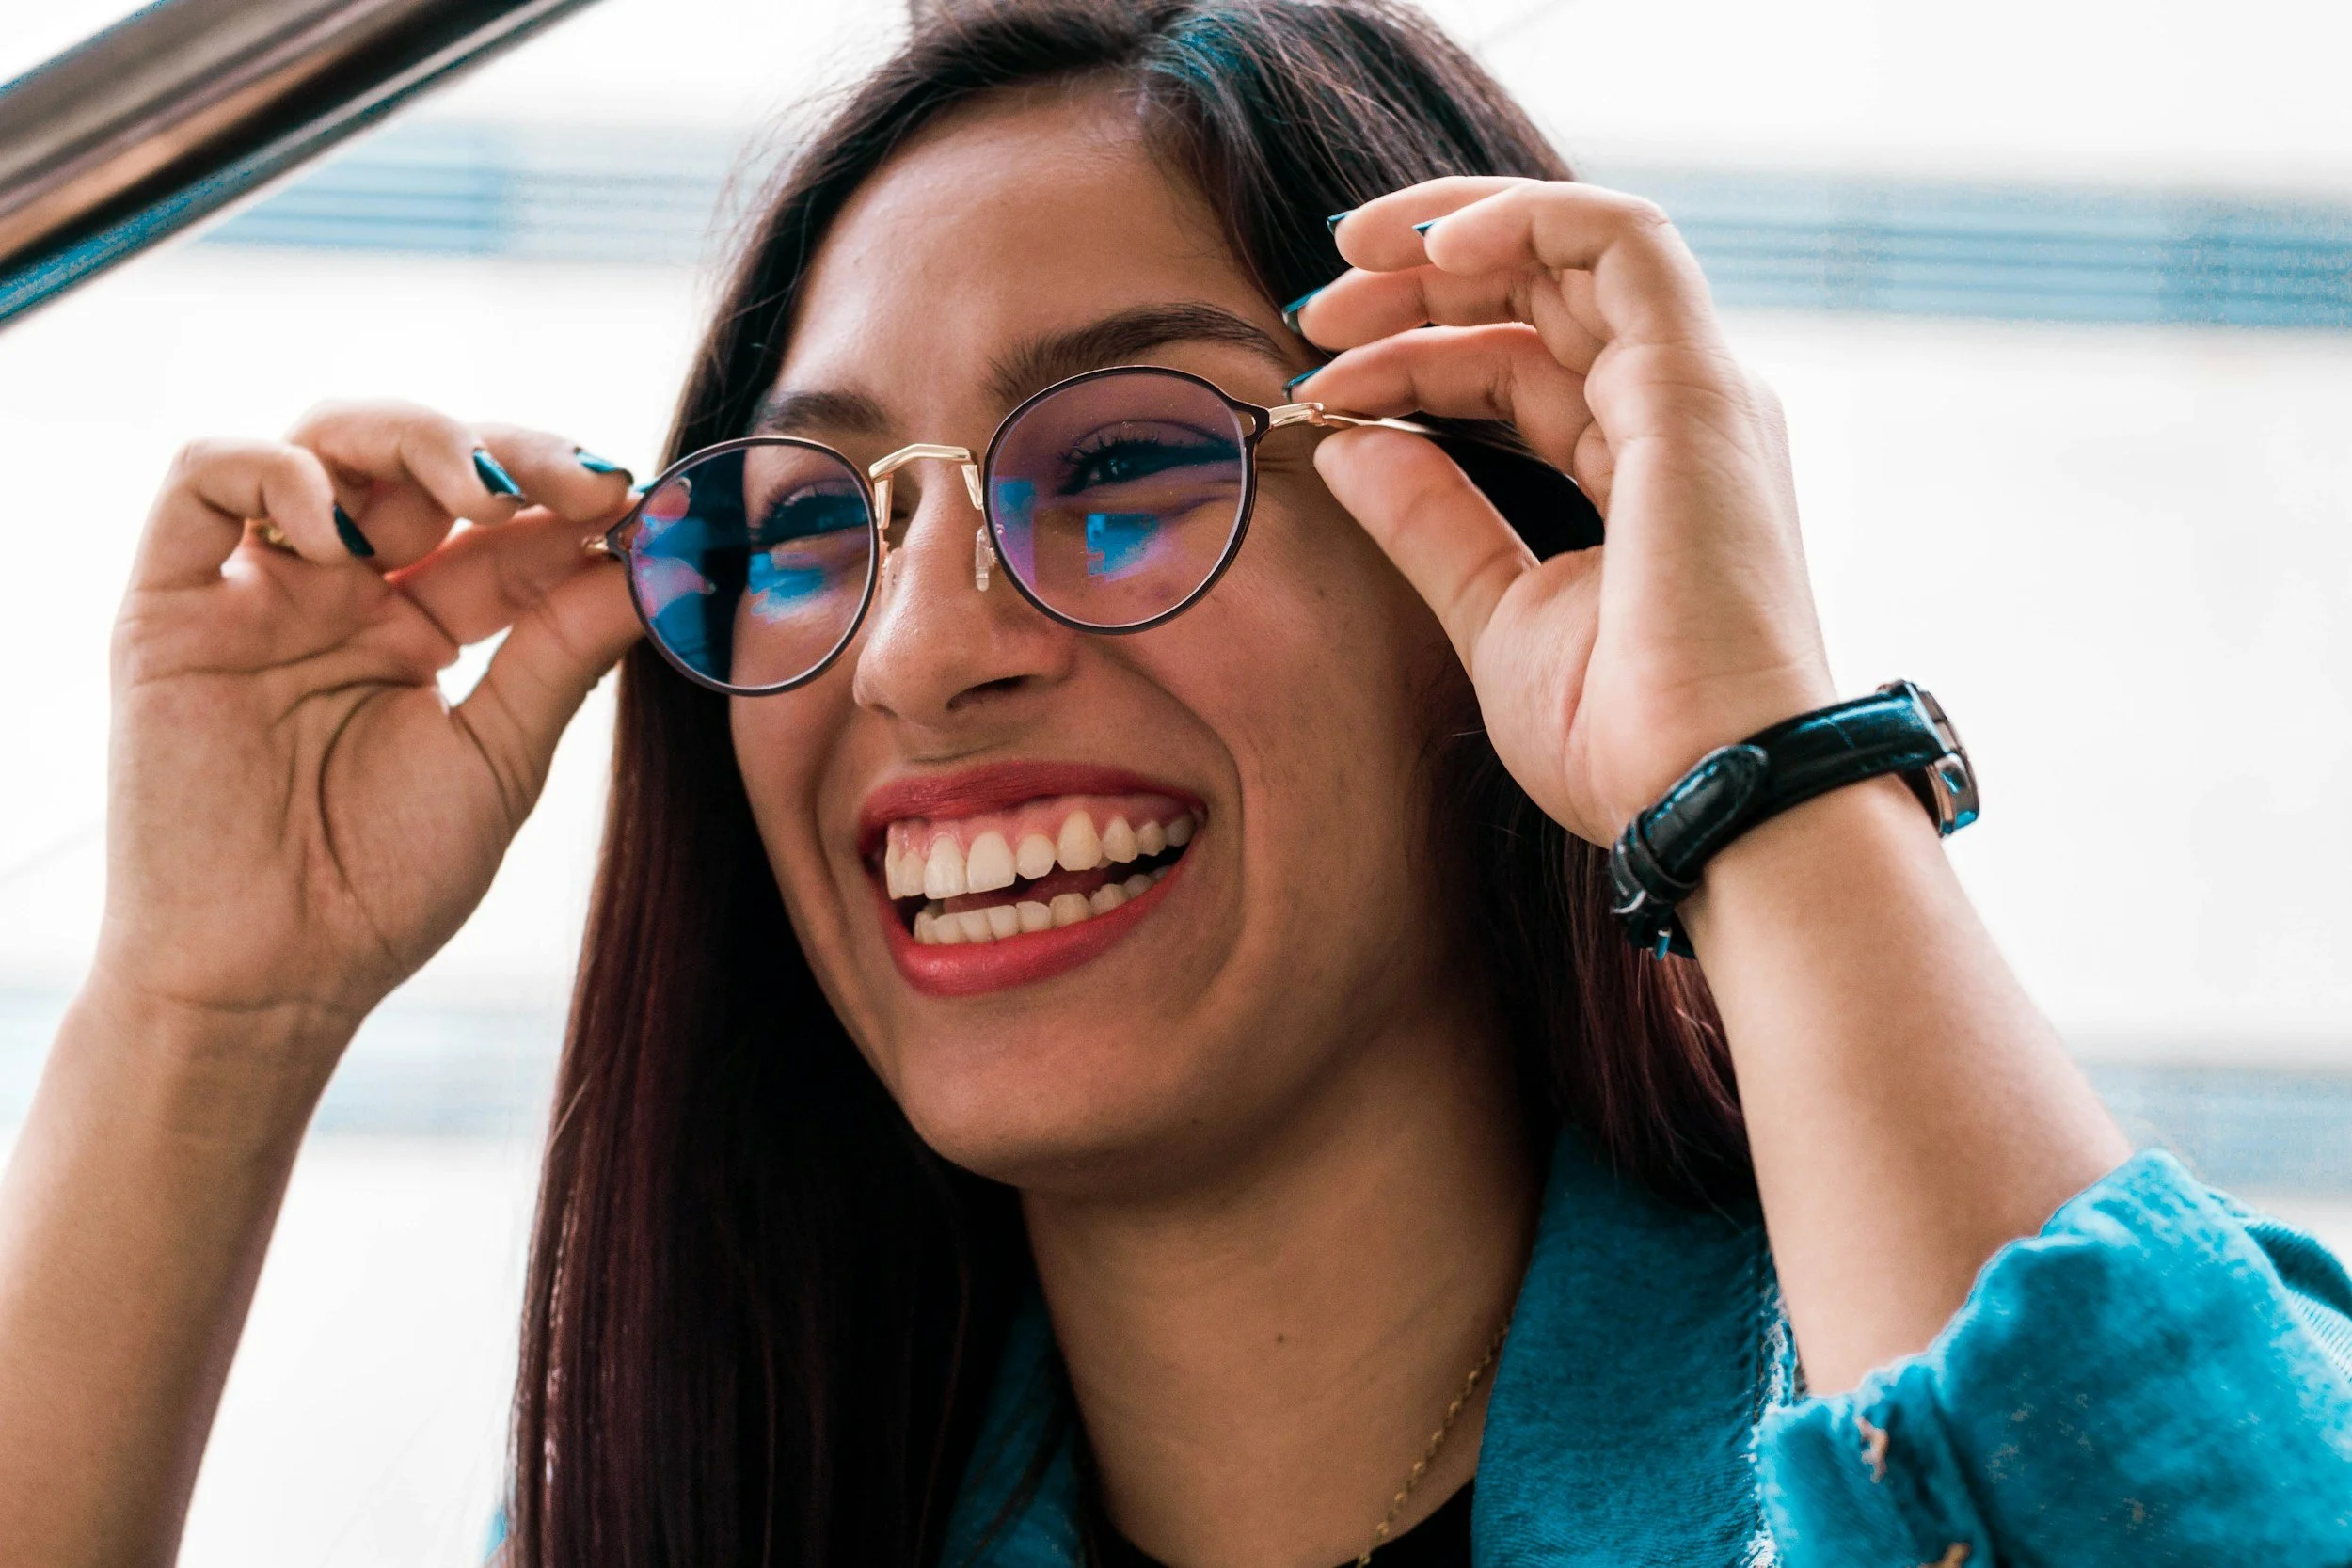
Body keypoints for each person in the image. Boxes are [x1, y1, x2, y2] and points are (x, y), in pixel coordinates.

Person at [4, 2, 2348, 1564]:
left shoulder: (2017, 1355)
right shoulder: (724, 1500)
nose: (923, 650)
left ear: (1497, 542)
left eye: (1121, 472)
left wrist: (1748, 759)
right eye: (815, 523)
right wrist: (203, 1028)